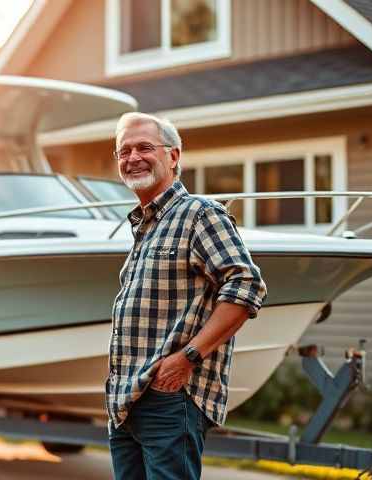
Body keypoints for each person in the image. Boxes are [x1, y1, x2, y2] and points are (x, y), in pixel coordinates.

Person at [107, 112, 267, 479]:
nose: (132, 158)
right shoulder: (145, 225)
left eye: (144, 147)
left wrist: (188, 357)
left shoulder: (199, 214)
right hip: (125, 402)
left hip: (169, 398)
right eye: (124, 151)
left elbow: (246, 285)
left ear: (174, 156)